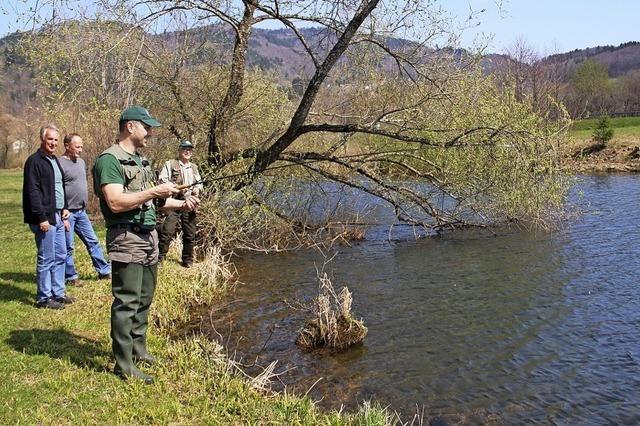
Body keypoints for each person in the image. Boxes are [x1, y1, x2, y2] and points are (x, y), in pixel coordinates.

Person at [93, 106, 199, 384]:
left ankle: (138, 350)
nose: (150, 132)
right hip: (126, 237)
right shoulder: (109, 160)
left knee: (144, 298)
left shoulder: (140, 160)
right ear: (130, 127)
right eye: (146, 127)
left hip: (149, 236)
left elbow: (155, 202)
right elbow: (115, 202)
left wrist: (181, 202)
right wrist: (155, 190)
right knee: (127, 301)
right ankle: (123, 364)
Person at [22, 125, 74, 309]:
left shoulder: (54, 160)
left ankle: (57, 293)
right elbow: (33, 192)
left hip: (59, 216)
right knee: (47, 257)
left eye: (56, 140)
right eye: (50, 139)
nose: (53, 143)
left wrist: (65, 208)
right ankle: (43, 298)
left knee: (60, 255)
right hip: (45, 217)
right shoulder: (34, 161)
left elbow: (59, 187)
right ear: (42, 139)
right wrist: (42, 217)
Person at [58, 133, 111, 285]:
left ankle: (104, 271)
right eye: (77, 146)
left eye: (81, 146)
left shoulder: (81, 162)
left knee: (93, 241)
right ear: (67, 145)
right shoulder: (59, 164)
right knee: (68, 246)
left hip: (81, 212)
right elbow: (57, 189)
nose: (80, 150)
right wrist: (62, 209)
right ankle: (71, 277)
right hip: (67, 213)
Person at [157, 140, 203, 267]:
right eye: (184, 149)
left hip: (189, 205)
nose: (187, 151)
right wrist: (177, 187)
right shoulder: (170, 164)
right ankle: (160, 258)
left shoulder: (194, 167)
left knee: (190, 234)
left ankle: (187, 260)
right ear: (179, 150)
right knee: (167, 232)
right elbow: (162, 181)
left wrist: (197, 189)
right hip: (173, 203)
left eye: (190, 149)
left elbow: (199, 183)